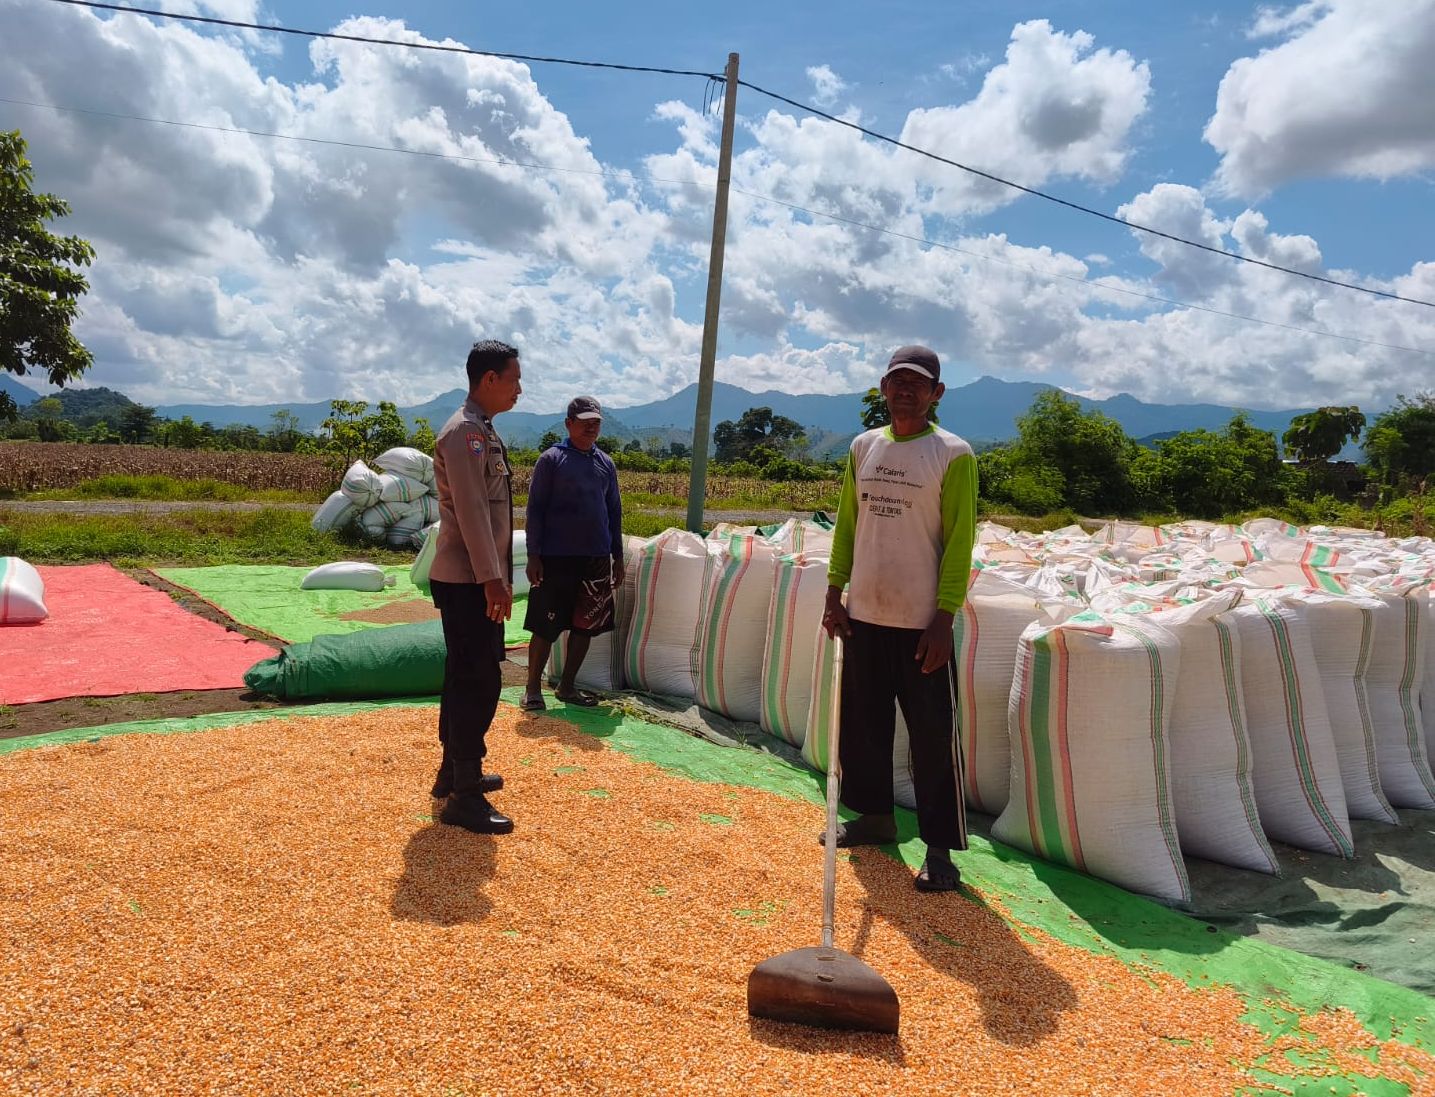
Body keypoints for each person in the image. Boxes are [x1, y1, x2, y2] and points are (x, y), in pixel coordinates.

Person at [821, 344, 978, 892]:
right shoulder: (864, 446)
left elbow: (960, 542)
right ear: (883, 388)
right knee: (863, 726)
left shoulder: (952, 454)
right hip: (865, 614)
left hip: (921, 625)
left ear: (937, 393)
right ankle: (876, 818)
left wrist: (944, 618)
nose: (906, 390)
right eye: (897, 381)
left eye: (918, 383)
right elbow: (847, 524)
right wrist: (834, 593)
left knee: (932, 737)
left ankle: (939, 849)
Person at [427, 339, 523, 835]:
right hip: (469, 580)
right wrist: (493, 579)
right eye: (513, 379)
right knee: (478, 679)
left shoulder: (480, 428)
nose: (519, 389)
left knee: (466, 674)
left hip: (474, 578)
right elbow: (471, 511)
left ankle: (454, 771)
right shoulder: (466, 432)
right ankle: (464, 795)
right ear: (489, 379)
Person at [520, 395, 625, 710]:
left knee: (586, 625)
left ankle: (567, 687)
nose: (591, 427)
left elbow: (614, 512)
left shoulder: (605, 463)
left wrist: (617, 557)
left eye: (596, 423)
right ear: (568, 424)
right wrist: (534, 555)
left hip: (595, 559)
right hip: (556, 558)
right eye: (584, 422)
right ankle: (532, 689)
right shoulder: (552, 459)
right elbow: (535, 510)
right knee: (545, 625)